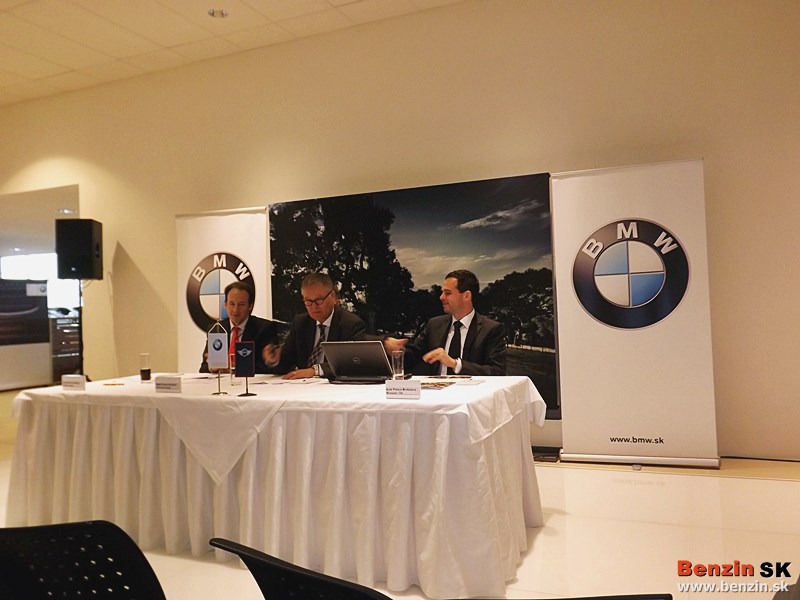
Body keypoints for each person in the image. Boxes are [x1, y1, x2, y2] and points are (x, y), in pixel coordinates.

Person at [392, 269, 506, 376]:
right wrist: (395, 350)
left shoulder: (491, 329)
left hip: (472, 390)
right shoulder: (434, 325)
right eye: (442, 292)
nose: (441, 297)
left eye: (447, 293)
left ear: (466, 296)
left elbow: (497, 371)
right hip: (436, 389)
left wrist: (455, 364)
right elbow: (413, 356)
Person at [265, 272, 367, 379]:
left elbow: (350, 362)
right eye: (308, 301)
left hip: (333, 385)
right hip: (304, 385)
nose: (314, 307)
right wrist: (274, 360)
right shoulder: (300, 323)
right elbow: (287, 361)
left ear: (332, 296)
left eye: (319, 300)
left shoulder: (350, 324)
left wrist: (315, 371)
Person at [199, 281, 281, 374]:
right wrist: (212, 367)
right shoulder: (216, 329)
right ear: (225, 304)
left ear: (250, 306)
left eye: (241, 305)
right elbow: (203, 368)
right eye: (232, 304)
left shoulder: (265, 328)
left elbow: (268, 368)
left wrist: (235, 369)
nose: (235, 310)